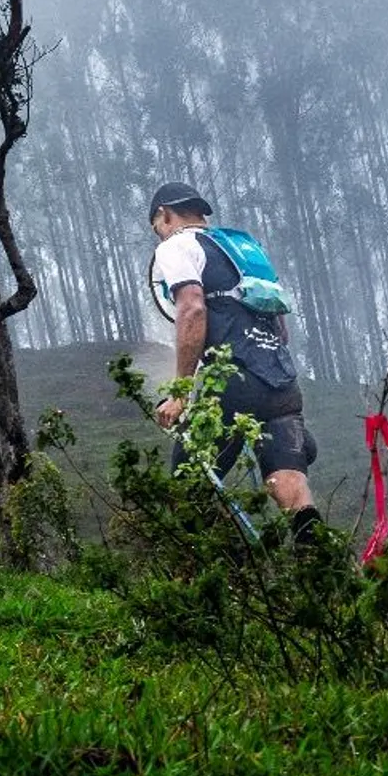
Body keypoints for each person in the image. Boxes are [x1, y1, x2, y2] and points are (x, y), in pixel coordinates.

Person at [149, 180, 321, 543]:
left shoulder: (177, 245)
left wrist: (181, 391)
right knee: (287, 482)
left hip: (231, 380)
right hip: (281, 383)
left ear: (164, 215)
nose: (158, 235)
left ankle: (228, 576)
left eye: (156, 227)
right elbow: (281, 328)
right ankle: (324, 572)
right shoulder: (242, 250)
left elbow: (192, 307)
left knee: (187, 491)